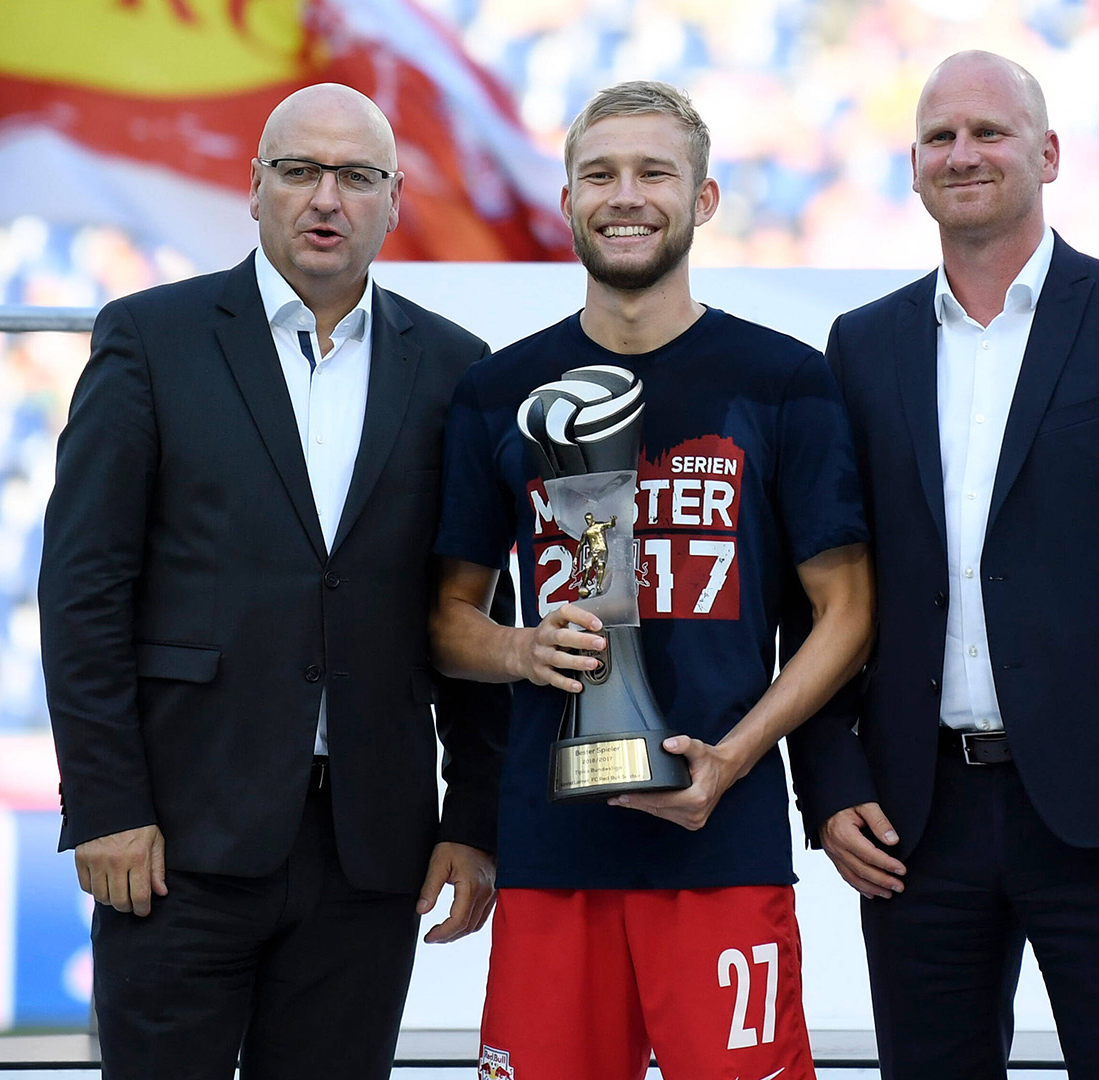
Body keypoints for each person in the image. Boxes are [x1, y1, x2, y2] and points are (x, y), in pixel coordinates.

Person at [786, 51, 1099, 1080]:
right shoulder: (861, 348)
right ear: (912, 167)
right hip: (915, 821)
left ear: (1047, 155)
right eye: (940, 137)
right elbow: (825, 590)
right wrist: (828, 781)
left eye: (989, 132)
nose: (964, 154)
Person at [39, 84, 508, 1078]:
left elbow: (468, 608)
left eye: (356, 177)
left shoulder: (456, 371)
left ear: (394, 198)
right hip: (173, 843)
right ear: (254, 188)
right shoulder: (149, 341)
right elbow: (83, 590)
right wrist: (106, 804)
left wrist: (472, 818)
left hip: (369, 853)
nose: (325, 198)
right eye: (298, 171)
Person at [429, 81, 872, 1080]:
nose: (625, 195)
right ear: (568, 199)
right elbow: (444, 620)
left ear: (704, 199)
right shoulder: (500, 391)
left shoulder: (783, 380)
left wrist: (737, 755)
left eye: (653, 173)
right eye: (601, 174)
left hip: (724, 846)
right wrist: (517, 646)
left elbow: (848, 613)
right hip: (552, 851)